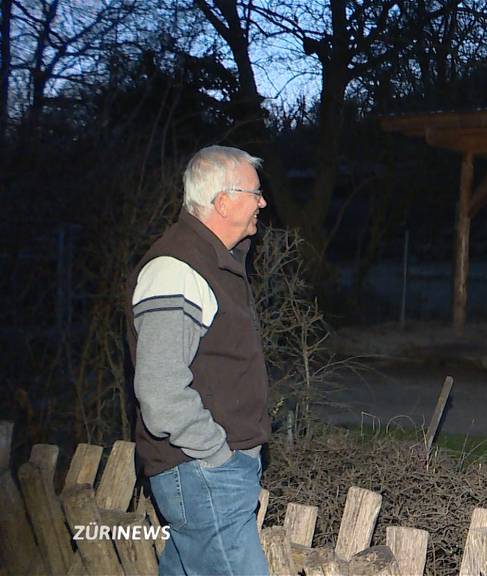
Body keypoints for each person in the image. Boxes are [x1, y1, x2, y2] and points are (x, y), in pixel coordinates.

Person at [127, 145, 270, 575]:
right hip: (203, 471)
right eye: (255, 192)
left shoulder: (211, 264)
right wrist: (217, 455)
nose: (263, 202)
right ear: (223, 200)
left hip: (208, 472)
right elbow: (159, 390)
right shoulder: (176, 270)